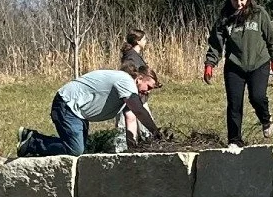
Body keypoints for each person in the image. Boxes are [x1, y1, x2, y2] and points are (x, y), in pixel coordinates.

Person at [17, 61, 165, 157]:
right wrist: (156, 132)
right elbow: (139, 111)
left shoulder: (129, 93)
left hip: (77, 113)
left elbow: (131, 118)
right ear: (139, 78)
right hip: (68, 105)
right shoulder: (126, 81)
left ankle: (30, 139)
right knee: (75, 151)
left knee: (79, 150)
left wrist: (133, 151)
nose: (148, 91)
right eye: (149, 86)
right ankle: (32, 142)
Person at [204, 0, 273, 150]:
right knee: (234, 103)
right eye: (235, 0)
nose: (238, 3)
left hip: (259, 63)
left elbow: (271, 38)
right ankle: (234, 140)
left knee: (257, 96)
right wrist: (210, 63)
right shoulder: (224, 18)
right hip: (234, 65)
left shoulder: (259, 13)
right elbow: (216, 44)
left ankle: (266, 119)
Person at [119, 30, 153, 146]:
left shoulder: (135, 55)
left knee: (145, 125)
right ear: (138, 41)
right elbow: (127, 74)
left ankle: (145, 143)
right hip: (131, 97)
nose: (146, 41)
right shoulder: (131, 57)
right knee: (125, 127)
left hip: (139, 96)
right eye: (144, 39)